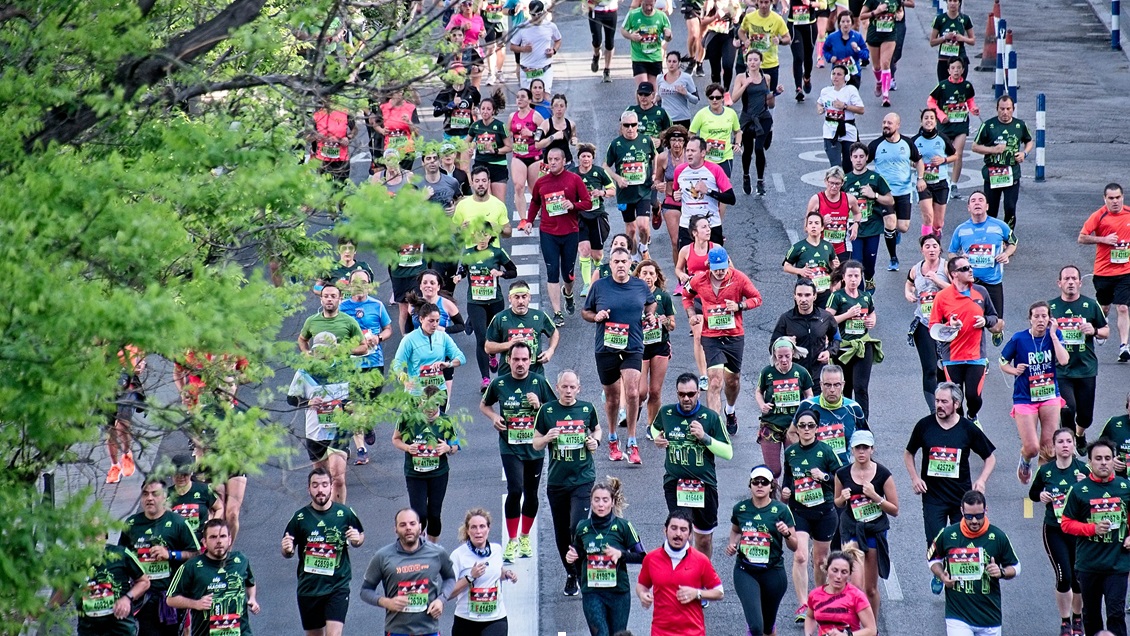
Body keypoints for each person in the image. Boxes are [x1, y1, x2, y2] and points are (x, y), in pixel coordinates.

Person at [905, 382, 997, 593]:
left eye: (944, 402)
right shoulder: (925, 426)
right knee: (935, 541)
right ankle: (940, 573)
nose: (939, 405)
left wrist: (982, 480)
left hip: (960, 498)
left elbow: (990, 457)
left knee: (961, 542)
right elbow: (908, 452)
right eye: (937, 401)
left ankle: (959, 579)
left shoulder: (967, 429)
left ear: (956, 403)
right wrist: (914, 478)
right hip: (933, 497)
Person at [480, 341, 556, 563]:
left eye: (524, 359)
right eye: (516, 359)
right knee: (515, 489)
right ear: (508, 360)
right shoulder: (500, 383)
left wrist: (539, 404)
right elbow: (484, 405)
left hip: (534, 446)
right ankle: (512, 540)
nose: (520, 364)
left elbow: (554, 411)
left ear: (530, 360)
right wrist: (494, 417)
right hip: (510, 445)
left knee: (531, 494)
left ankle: (525, 537)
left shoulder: (539, 382)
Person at [583, 247, 657, 463]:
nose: (621, 265)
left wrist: (650, 315)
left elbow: (651, 302)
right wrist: (596, 316)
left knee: (633, 392)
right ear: (611, 264)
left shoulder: (639, 286)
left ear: (630, 264)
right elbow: (585, 312)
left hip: (633, 346)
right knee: (613, 398)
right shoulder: (600, 286)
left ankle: (632, 441)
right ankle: (613, 438)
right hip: (606, 348)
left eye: (624, 261)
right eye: (616, 261)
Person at [532, 369, 602, 595]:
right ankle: (571, 573)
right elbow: (535, 443)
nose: (569, 391)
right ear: (558, 387)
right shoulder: (547, 411)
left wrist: (595, 442)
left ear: (578, 388)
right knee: (562, 532)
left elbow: (597, 430)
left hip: (583, 477)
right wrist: (546, 438)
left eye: (573, 387)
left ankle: (582, 569)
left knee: (577, 526)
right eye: (565, 387)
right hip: (557, 481)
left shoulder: (586, 408)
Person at [650, 372, 734, 558]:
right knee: (681, 533)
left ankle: (701, 576)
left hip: (704, 484)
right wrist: (657, 438)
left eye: (691, 394)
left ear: (698, 393)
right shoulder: (667, 412)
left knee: (703, 539)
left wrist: (705, 437)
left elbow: (728, 453)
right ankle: (683, 577)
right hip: (675, 483)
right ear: (677, 393)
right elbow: (655, 427)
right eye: (682, 394)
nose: (686, 398)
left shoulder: (710, 417)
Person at [682, 245, 762, 434]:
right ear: (709, 265)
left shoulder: (739, 278)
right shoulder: (699, 280)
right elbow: (686, 295)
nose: (719, 272)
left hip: (734, 335)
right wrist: (691, 313)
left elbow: (757, 298)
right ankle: (713, 427)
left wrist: (740, 305)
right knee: (715, 381)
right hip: (711, 336)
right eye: (716, 269)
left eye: (723, 268)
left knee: (732, 380)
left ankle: (730, 411)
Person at [281, 468, 364, 636]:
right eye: (315, 485)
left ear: (331, 487)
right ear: (309, 488)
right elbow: (287, 549)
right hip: (309, 588)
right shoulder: (299, 518)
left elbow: (360, 536)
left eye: (324, 485)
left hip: (337, 586)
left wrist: (357, 540)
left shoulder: (344, 513)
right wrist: (287, 550)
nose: (320, 490)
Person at [927, 490, 1020, 636]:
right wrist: (942, 576)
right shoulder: (948, 534)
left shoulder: (998, 537)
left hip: (989, 618)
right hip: (957, 616)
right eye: (969, 516)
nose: (974, 521)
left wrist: (1001, 572)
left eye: (979, 516)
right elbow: (933, 559)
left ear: (986, 510)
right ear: (961, 511)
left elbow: (1016, 567)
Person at [1061, 439, 1130, 636]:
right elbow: (1066, 524)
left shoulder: (1125, 487)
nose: (1103, 463)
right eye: (1098, 458)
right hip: (1089, 564)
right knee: (1091, 615)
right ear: (1089, 462)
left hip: (1117, 563)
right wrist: (1092, 529)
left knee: (1116, 614)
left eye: (1108, 458)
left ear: (1113, 460)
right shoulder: (1079, 491)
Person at [781, 409, 843, 624]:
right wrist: (785, 491)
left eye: (810, 425)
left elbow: (842, 478)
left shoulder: (825, 451)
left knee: (820, 561)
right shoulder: (790, 453)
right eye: (802, 425)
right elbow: (788, 479)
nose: (806, 429)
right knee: (800, 556)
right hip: (799, 512)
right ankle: (803, 604)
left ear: (817, 428)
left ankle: (819, 599)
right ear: (796, 429)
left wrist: (824, 476)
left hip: (824, 512)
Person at [928, 255, 1005, 422]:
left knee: (974, 396)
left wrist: (985, 321)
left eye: (970, 267)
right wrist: (950, 325)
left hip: (975, 355)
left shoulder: (981, 292)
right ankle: (961, 425)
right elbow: (933, 325)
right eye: (965, 268)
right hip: (952, 356)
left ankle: (972, 416)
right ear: (954, 274)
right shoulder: (942, 297)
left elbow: (994, 316)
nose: (970, 270)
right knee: (956, 399)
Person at [119, 478, 200, 636]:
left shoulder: (178, 523)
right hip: (144, 597)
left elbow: (196, 554)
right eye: (145, 494)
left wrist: (170, 554)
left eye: (155, 494)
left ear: (164, 497)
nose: (149, 498)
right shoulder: (132, 524)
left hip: (170, 597)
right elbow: (122, 558)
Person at [1000, 301, 1070, 484]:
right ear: (1030, 319)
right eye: (1036, 316)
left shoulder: (1054, 335)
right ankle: (1025, 459)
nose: (1040, 320)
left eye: (1044, 316)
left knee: (1048, 447)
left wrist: (1054, 335)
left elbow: (1063, 360)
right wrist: (1013, 371)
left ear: (1049, 319)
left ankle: (1043, 482)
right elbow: (1002, 361)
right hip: (1025, 397)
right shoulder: (1019, 339)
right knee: (1032, 447)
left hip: (1049, 395)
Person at [567, 479, 646, 636]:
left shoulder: (624, 526)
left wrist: (621, 555)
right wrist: (572, 556)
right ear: (591, 502)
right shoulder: (582, 527)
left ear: (612, 502)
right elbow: (577, 553)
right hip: (592, 592)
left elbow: (643, 557)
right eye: (596, 500)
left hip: (618, 593)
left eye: (605, 500)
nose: (601, 505)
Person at [833, 430, 899, 621]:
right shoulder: (842, 473)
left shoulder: (883, 474)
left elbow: (895, 510)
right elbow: (837, 503)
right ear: (851, 450)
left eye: (865, 448)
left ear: (872, 449)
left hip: (874, 531)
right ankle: (853, 626)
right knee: (854, 585)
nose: (861, 452)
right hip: (852, 530)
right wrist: (842, 499)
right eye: (857, 448)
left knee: (870, 589)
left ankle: (872, 628)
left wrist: (876, 498)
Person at [1029, 428, 1088, 636]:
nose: (1065, 445)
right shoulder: (1046, 471)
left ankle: (1078, 618)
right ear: (1053, 447)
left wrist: (1086, 485)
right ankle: (1065, 621)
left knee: (1078, 577)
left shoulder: (1083, 471)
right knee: (1063, 576)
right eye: (1060, 442)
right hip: (1054, 529)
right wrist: (1042, 495)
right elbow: (1033, 494)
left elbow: (1096, 501)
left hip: (1079, 532)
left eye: (1068, 441)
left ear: (1073, 446)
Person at [523, 147, 592, 326]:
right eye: (550, 159)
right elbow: (535, 202)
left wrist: (573, 205)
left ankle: (568, 294)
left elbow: (587, 202)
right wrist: (529, 220)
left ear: (563, 161)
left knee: (568, 275)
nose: (552, 162)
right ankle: (557, 312)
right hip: (548, 233)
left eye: (556, 159)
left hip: (570, 232)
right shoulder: (542, 182)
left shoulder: (574, 179)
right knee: (552, 272)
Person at [725, 466, 797, 636]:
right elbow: (736, 530)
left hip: (773, 572)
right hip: (746, 571)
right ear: (749, 485)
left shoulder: (781, 510)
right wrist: (732, 544)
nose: (759, 485)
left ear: (771, 486)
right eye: (755, 482)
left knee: (767, 627)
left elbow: (794, 546)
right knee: (756, 627)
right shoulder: (740, 508)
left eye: (764, 482)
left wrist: (786, 533)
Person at [360, 509, 456, 636]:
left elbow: (450, 578)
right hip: (397, 630)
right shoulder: (382, 556)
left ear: (420, 526)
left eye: (412, 523)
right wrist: (386, 602)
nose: (408, 528)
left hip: (429, 629)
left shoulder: (437, 553)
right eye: (403, 525)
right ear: (395, 529)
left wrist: (441, 600)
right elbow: (365, 591)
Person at [1049, 265, 1110, 453]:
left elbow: (1106, 331)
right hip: (1061, 369)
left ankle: (1080, 434)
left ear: (1080, 283)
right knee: (1067, 409)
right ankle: (1069, 445)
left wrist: (1094, 331)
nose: (1070, 282)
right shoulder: (1051, 307)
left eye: (1074, 279)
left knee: (1085, 417)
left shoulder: (1091, 305)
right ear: (1059, 283)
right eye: (1066, 279)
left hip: (1085, 368)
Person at [636, 510, 724, 636]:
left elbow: (719, 592)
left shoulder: (701, 560)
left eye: (683, 530)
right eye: (674, 528)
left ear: (690, 535)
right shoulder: (651, 558)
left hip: (693, 632)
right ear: (665, 530)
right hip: (660, 632)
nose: (678, 534)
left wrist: (697, 593)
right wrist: (642, 594)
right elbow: (642, 584)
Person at [289, 335, 354, 503]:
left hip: (340, 429)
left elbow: (357, 395)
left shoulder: (345, 369)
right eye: (320, 350)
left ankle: (338, 516)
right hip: (315, 432)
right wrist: (308, 401)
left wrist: (352, 405)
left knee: (338, 479)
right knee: (320, 481)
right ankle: (323, 512)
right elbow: (291, 398)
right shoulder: (304, 372)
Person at [338, 270, 394, 465]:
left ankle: (368, 424)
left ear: (369, 285)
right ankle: (361, 449)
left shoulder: (377, 306)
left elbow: (388, 329)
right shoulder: (342, 308)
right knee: (353, 407)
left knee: (368, 405)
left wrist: (378, 338)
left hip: (373, 363)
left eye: (363, 282)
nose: (359, 285)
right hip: (350, 365)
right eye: (355, 282)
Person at [167, 519, 259, 636]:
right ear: (204, 542)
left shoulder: (241, 560)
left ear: (229, 540)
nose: (219, 541)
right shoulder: (191, 567)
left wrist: (252, 598)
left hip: (241, 632)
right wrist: (196, 604)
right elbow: (171, 599)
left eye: (223, 536)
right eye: (213, 537)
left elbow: (250, 582)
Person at [53, 530, 150, 636]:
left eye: (97, 533)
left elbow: (144, 582)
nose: (94, 539)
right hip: (89, 629)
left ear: (106, 536)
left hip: (120, 628)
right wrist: (45, 609)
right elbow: (65, 591)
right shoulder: (76, 562)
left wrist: (127, 598)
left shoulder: (121, 554)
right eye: (89, 535)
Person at [394, 386, 459, 543]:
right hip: (415, 474)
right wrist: (408, 447)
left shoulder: (446, 420)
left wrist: (447, 448)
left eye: (434, 405)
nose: (430, 410)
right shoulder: (407, 418)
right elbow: (396, 439)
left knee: (434, 514)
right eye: (426, 405)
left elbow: (455, 445)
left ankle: (432, 549)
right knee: (419, 514)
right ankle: (418, 546)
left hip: (438, 473)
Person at [453, 232, 517, 390]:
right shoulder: (468, 253)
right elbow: (463, 270)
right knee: (481, 338)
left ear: (490, 237)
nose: (482, 238)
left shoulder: (497, 253)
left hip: (495, 301)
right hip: (475, 302)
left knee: (494, 335)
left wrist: (500, 273)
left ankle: (493, 354)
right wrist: (458, 277)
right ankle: (486, 379)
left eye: (485, 235)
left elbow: (513, 271)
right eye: (478, 235)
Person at [948, 190, 1016, 338]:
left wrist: (1006, 254)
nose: (977, 203)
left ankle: (991, 327)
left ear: (987, 206)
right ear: (968, 208)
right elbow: (951, 253)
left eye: (980, 200)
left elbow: (1013, 242)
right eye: (973, 201)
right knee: (966, 322)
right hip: (969, 283)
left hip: (992, 281)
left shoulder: (1000, 226)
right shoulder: (961, 230)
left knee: (996, 327)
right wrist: (959, 258)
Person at [1079, 183, 1130, 363]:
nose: (1115, 201)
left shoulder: (1128, 214)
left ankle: (1124, 346)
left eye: (1118, 197)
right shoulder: (1099, 216)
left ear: (1122, 197)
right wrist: (1104, 239)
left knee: (1123, 307)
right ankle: (1100, 326)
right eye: (1111, 198)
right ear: (1105, 199)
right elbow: (1082, 237)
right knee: (1105, 308)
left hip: (1126, 271)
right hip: (1103, 271)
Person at [448, 509, 519, 636]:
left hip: (495, 618)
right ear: (467, 531)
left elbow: (496, 572)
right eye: (474, 527)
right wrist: (470, 577)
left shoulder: (496, 550)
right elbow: (448, 593)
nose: (478, 531)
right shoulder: (458, 555)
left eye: (482, 526)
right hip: (466, 619)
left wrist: (506, 574)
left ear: (488, 529)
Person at [868, 112, 923, 271]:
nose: (886, 125)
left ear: (898, 125)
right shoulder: (876, 145)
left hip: (904, 191)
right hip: (885, 193)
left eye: (889, 123)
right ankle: (893, 258)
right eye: (884, 122)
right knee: (890, 223)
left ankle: (894, 232)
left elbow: (919, 161)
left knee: (903, 227)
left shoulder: (907, 143)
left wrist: (920, 178)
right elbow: (863, 162)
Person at [971, 95, 1033, 230]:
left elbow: (1029, 140)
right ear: (997, 109)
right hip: (993, 174)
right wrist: (993, 150)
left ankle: (1008, 237)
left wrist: (1024, 153)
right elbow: (975, 146)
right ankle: (991, 236)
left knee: (1010, 208)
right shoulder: (988, 125)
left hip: (1012, 173)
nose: (1005, 112)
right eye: (1002, 109)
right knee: (991, 209)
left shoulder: (1020, 125)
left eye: (1008, 109)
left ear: (1013, 109)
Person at [756, 338, 816, 478]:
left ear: (793, 354)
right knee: (773, 471)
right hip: (771, 424)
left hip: (794, 426)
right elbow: (758, 391)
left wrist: (804, 409)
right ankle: (771, 497)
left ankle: (791, 496)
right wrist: (762, 405)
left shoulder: (801, 372)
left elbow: (809, 394)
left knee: (794, 468)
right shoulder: (767, 372)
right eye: (779, 356)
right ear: (774, 355)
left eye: (787, 356)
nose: (783, 360)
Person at [827, 259, 879, 418]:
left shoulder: (865, 297)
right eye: (850, 276)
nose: (853, 279)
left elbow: (871, 313)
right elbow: (827, 320)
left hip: (862, 347)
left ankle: (863, 422)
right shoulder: (837, 297)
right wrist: (847, 315)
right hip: (843, 348)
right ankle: (846, 420)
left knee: (861, 387)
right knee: (846, 387)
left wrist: (872, 321)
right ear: (843, 277)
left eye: (857, 276)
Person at [905, 234, 950, 411]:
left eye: (934, 246)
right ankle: (934, 410)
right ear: (922, 250)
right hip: (923, 323)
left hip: (946, 325)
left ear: (940, 249)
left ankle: (947, 404)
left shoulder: (946, 267)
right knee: (930, 368)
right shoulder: (916, 269)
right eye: (927, 246)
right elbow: (909, 283)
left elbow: (958, 289)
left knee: (944, 369)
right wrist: (908, 292)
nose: (931, 249)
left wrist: (937, 281)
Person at [604, 111, 658, 255]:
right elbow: (605, 166)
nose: (630, 128)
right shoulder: (616, 144)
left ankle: (644, 246)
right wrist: (618, 178)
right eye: (626, 125)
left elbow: (655, 157)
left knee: (643, 226)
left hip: (643, 191)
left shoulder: (646, 141)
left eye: (633, 125)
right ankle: (633, 257)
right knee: (631, 229)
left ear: (637, 126)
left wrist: (654, 174)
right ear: (621, 126)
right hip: (625, 193)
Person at [792, 364, 865, 467]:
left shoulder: (853, 408)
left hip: (843, 471)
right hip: (814, 469)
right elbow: (792, 432)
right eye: (827, 385)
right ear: (821, 385)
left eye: (836, 385)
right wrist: (804, 456)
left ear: (843, 385)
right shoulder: (808, 405)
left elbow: (867, 439)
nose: (832, 389)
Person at [391, 302, 467, 402]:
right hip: (417, 393)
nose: (434, 325)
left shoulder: (443, 337)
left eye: (437, 321)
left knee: (440, 418)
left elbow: (461, 358)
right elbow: (397, 365)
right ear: (421, 319)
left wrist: (448, 364)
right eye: (431, 321)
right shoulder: (409, 339)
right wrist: (405, 381)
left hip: (439, 392)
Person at [675, 215, 718, 386]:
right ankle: (703, 375)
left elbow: (731, 270)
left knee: (713, 335)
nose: (708, 230)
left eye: (708, 227)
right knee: (698, 336)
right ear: (694, 232)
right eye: (704, 227)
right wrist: (682, 275)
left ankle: (714, 367)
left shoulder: (716, 249)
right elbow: (678, 269)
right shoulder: (686, 250)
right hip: (693, 297)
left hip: (714, 298)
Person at [484, 280, 559, 377]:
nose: (520, 301)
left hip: (535, 375)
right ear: (510, 299)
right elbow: (488, 347)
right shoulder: (500, 318)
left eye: (524, 297)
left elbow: (554, 332)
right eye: (516, 297)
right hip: (507, 376)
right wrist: (509, 345)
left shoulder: (540, 316)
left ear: (529, 298)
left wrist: (550, 350)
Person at [771, 279, 840, 383]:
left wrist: (829, 352)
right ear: (795, 296)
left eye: (807, 295)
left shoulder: (826, 317)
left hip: (818, 375)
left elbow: (836, 339)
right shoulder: (786, 319)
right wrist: (784, 342)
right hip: (794, 375)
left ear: (814, 296)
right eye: (799, 295)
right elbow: (772, 346)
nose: (803, 299)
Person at [845, 141, 894, 287]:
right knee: (856, 262)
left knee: (870, 262)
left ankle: (870, 278)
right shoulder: (845, 180)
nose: (858, 160)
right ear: (850, 158)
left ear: (867, 158)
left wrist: (874, 195)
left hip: (872, 227)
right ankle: (859, 293)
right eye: (855, 156)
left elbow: (890, 200)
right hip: (854, 229)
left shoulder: (875, 178)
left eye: (861, 156)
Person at [928, 57, 978, 200]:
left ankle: (954, 184)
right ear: (949, 70)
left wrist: (973, 108)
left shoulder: (967, 86)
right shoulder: (942, 86)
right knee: (941, 154)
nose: (956, 71)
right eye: (953, 68)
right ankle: (938, 182)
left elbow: (970, 100)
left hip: (960, 124)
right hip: (944, 125)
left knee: (958, 154)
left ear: (963, 70)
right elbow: (930, 101)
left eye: (959, 68)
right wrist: (940, 114)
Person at [673, 137, 735, 245]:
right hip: (687, 226)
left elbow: (731, 199)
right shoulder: (679, 170)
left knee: (713, 261)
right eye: (687, 150)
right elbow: (675, 192)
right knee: (688, 261)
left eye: (693, 151)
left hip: (711, 225)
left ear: (702, 153)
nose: (689, 154)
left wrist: (709, 191)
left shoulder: (715, 169)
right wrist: (676, 196)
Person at [637, 260, 677, 426]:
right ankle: (635, 405)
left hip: (660, 346)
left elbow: (673, 325)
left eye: (651, 273)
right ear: (638, 276)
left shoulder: (664, 296)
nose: (648, 277)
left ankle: (651, 425)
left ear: (657, 276)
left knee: (655, 391)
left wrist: (664, 321)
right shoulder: (633, 296)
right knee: (641, 392)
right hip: (639, 347)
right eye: (644, 273)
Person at [574, 143, 616, 296]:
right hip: (579, 216)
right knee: (584, 250)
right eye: (583, 156)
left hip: (597, 216)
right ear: (578, 158)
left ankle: (598, 274)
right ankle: (587, 285)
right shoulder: (572, 173)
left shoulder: (599, 172)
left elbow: (613, 190)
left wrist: (602, 192)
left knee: (597, 255)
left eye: (588, 156)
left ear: (592, 158)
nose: (586, 159)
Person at [804, 549, 877, 636]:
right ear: (827, 570)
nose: (838, 576)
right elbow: (810, 617)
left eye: (844, 572)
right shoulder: (815, 595)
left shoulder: (857, 596)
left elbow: (872, 630)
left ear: (849, 574)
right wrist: (808, 634)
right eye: (835, 570)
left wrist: (847, 635)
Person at [732, 49, 775, 196]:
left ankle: (760, 180)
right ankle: (746, 176)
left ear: (761, 61)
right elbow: (734, 98)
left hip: (764, 117)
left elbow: (769, 101)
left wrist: (775, 94)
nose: (753, 62)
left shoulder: (766, 77)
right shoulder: (741, 77)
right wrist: (745, 85)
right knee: (748, 150)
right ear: (746, 62)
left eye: (756, 59)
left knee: (759, 149)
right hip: (748, 119)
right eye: (750, 60)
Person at [913, 108, 958, 238]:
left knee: (937, 223)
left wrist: (943, 160)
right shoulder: (915, 140)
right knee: (927, 217)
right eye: (926, 118)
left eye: (932, 118)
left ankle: (936, 233)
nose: (929, 121)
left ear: (936, 122)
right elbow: (909, 159)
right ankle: (926, 244)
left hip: (941, 183)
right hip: (923, 183)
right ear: (921, 121)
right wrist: (916, 163)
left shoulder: (943, 138)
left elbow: (955, 156)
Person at [105, 346, 144, 484]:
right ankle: (114, 465)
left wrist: (140, 364)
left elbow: (141, 356)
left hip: (128, 386)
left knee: (122, 425)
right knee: (111, 430)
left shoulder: (131, 337)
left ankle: (127, 453)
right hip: (107, 387)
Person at [806, 166, 862, 262]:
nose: (834, 187)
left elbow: (857, 213)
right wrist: (821, 222)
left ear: (842, 183)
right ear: (825, 181)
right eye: (831, 183)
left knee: (841, 276)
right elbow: (806, 227)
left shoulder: (849, 199)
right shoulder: (816, 199)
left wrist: (856, 224)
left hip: (843, 247)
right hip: (821, 246)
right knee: (824, 276)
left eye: (837, 184)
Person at [816, 64, 865, 171]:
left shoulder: (851, 90)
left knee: (849, 166)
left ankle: (848, 187)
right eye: (833, 74)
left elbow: (861, 109)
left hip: (848, 130)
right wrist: (820, 108)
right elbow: (819, 103)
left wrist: (845, 106)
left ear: (845, 77)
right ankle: (837, 186)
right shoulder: (825, 91)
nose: (835, 77)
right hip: (830, 131)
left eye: (839, 74)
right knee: (836, 167)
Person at [739, 0, 791, 95]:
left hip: (771, 63)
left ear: (771, 2)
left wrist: (779, 41)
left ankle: (769, 109)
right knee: (753, 95)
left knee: (770, 99)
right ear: (757, 2)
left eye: (766, 2)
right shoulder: (750, 17)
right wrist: (745, 40)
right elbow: (741, 31)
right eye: (761, 2)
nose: (763, 5)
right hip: (753, 64)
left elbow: (788, 38)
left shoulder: (777, 19)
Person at [690, 85, 742, 179]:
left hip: (725, 157)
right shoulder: (701, 114)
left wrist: (737, 144)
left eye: (718, 97)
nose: (714, 100)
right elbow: (691, 134)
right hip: (706, 158)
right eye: (711, 97)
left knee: (724, 187)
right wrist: (702, 146)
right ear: (708, 98)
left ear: (723, 98)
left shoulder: (731, 113)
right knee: (707, 187)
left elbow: (737, 131)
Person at [298, 284, 367, 355]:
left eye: (333, 296)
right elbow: (302, 339)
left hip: (342, 365)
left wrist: (345, 349)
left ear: (340, 300)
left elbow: (364, 347)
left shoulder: (349, 321)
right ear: (321, 300)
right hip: (318, 365)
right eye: (326, 296)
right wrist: (306, 353)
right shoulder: (311, 321)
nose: (329, 299)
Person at [468, 91, 511, 202]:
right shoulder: (476, 126)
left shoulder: (500, 126)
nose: (485, 111)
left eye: (488, 109)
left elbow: (509, 147)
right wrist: (471, 147)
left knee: (499, 202)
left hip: (498, 166)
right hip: (481, 165)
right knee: (486, 200)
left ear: (493, 111)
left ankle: (500, 219)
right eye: (483, 109)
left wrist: (495, 150)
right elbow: (465, 142)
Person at [509, 0, 561, 89]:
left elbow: (558, 40)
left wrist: (553, 50)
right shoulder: (522, 27)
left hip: (545, 69)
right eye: (533, 15)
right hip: (527, 70)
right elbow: (512, 46)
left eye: (539, 14)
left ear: (544, 13)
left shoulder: (550, 26)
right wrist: (524, 49)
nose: (536, 17)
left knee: (545, 98)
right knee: (528, 100)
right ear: (529, 13)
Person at [621, 0, 673, 87]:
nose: (648, 8)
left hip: (655, 57)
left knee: (653, 90)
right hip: (639, 57)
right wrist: (631, 36)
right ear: (641, 2)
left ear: (655, 2)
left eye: (651, 5)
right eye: (646, 5)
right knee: (643, 88)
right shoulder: (633, 14)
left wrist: (668, 35)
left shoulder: (661, 16)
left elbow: (668, 37)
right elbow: (623, 30)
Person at [859, 0, 901, 106]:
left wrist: (899, 15)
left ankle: (885, 96)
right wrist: (876, 12)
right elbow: (862, 16)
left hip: (890, 35)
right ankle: (879, 81)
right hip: (874, 34)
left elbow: (900, 10)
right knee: (877, 66)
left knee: (886, 63)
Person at [169, 454, 221, 538]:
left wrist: (211, 525)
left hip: (201, 540)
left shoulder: (203, 489)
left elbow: (219, 508)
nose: (181, 477)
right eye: (177, 474)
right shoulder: (166, 495)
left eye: (185, 474)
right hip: (177, 542)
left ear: (191, 472)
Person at [822, 11, 869, 88]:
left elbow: (866, 54)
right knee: (839, 97)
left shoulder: (857, 37)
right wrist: (830, 58)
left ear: (852, 23)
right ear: (839, 23)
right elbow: (825, 50)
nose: (845, 24)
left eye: (848, 21)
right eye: (843, 21)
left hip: (854, 73)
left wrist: (858, 50)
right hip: (838, 74)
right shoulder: (832, 37)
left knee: (851, 97)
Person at [929, 0, 974, 81]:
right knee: (945, 88)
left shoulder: (965, 19)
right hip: (944, 60)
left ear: (959, 3)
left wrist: (962, 38)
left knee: (960, 87)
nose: (952, 3)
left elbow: (972, 41)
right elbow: (932, 42)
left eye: (955, 1)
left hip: (960, 58)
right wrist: (944, 37)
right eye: (950, 1)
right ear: (947, 2)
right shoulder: (939, 19)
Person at [311, 100, 354, 182]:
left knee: (341, 189)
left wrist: (348, 138)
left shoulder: (345, 112)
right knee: (324, 188)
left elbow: (355, 129)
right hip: (322, 159)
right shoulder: (317, 115)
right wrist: (316, 136)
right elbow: (308, 136)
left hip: (341, 158)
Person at [376, 90, 421, 171]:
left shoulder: (410, 107)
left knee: (405, 175)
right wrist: (382, 130)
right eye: (397, 92)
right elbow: (375, 124)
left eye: (401, 92)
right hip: (390, 149)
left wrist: (409, 122)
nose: (400, 94)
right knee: (392, 174)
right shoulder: (383, 107)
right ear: (390, 95)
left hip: (407, 149)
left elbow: (417, 133)